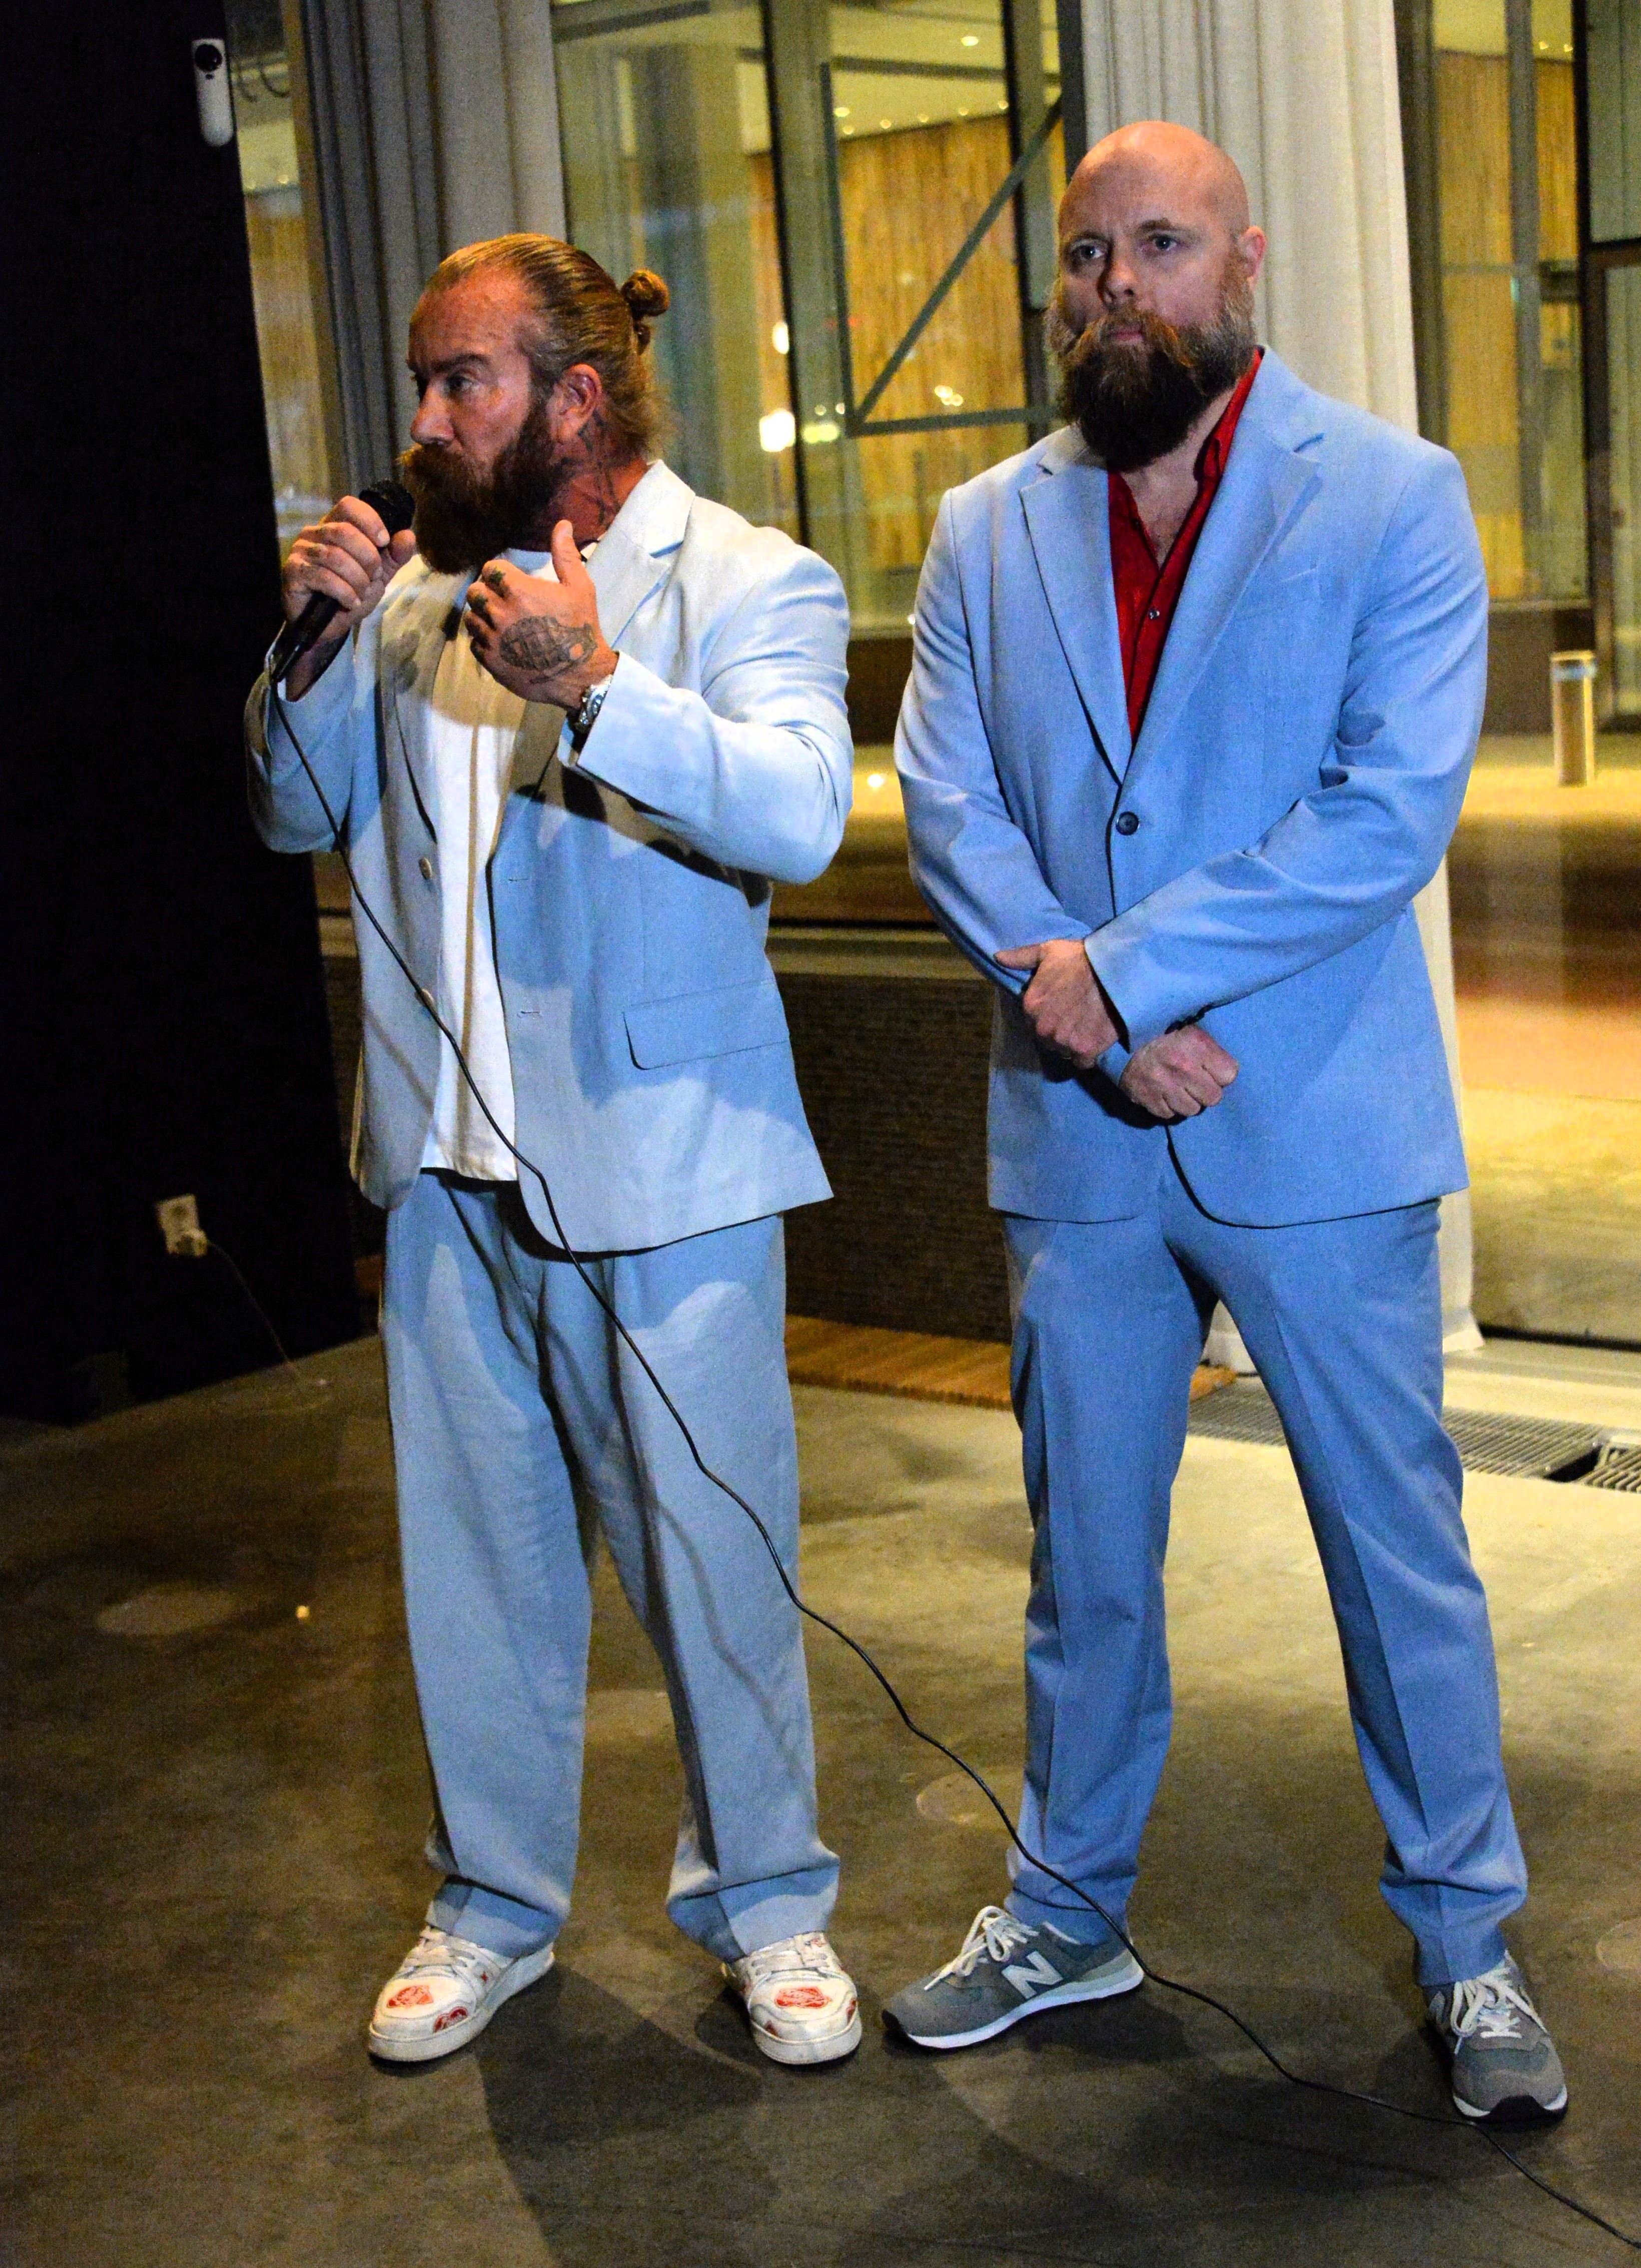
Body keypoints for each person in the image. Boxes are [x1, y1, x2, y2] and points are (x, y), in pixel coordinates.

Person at [885, 124, 1565, 2125]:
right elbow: (951, 812)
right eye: (1088, 254)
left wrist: (1121, 980)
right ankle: (1065, 1911)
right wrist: (1095, 1025)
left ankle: (1469, 1946)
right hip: (1082, 1136)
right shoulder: (982, 529)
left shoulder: (1394, 495)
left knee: (1395, 1559)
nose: (1119, 286)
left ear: (1243, 261)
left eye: (1161, 245)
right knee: (1083, 1565)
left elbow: (1383, 814)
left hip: (1313, 1122)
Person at [246, 235, 862, 2068]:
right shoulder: (408, 611)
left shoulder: (743, 575)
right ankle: (492, 1909)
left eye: (467, 382)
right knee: (477, 1573)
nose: (428, 421)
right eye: (424, 383)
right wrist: (308, 642)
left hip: (666, 1170)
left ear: (574, 400)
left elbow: (802, 813)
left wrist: (595, 683)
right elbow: (288, 808)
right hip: (443, 1173)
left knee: (711, 1561)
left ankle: (773, 1908)